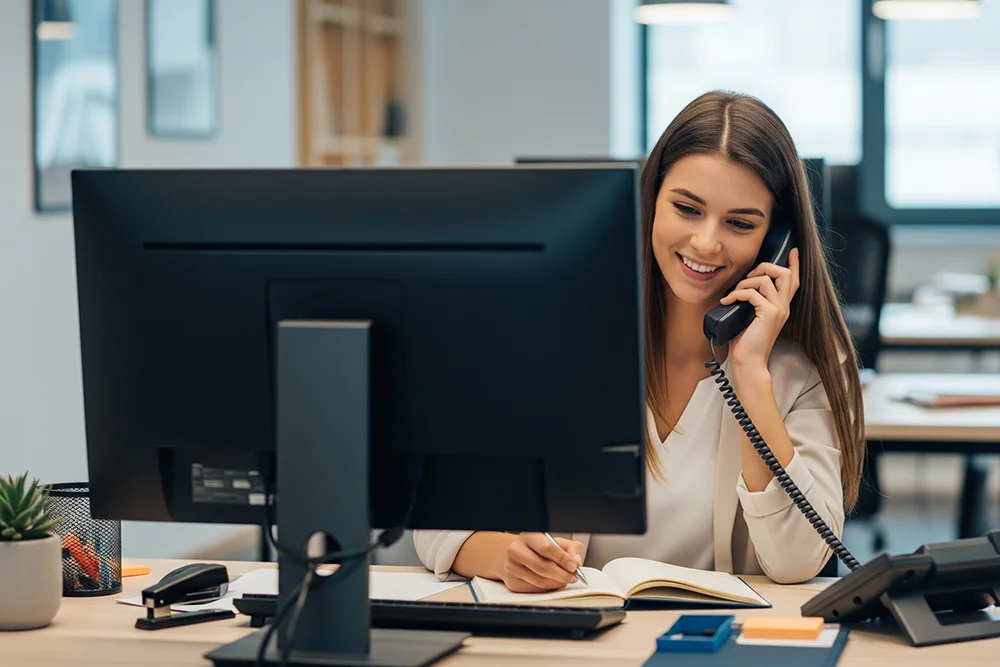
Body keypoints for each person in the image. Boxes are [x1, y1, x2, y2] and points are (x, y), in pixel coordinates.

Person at [414, 90, 865, 588]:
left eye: (739, 223)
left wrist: (751, 376)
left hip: (720, 633)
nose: (705, 242)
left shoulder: (804, 368)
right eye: (687, 209)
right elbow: (437, 515)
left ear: (776, 241)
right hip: (580, 627)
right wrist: (506, 557)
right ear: (651, 202)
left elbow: (799, 561)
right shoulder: (558, 331)